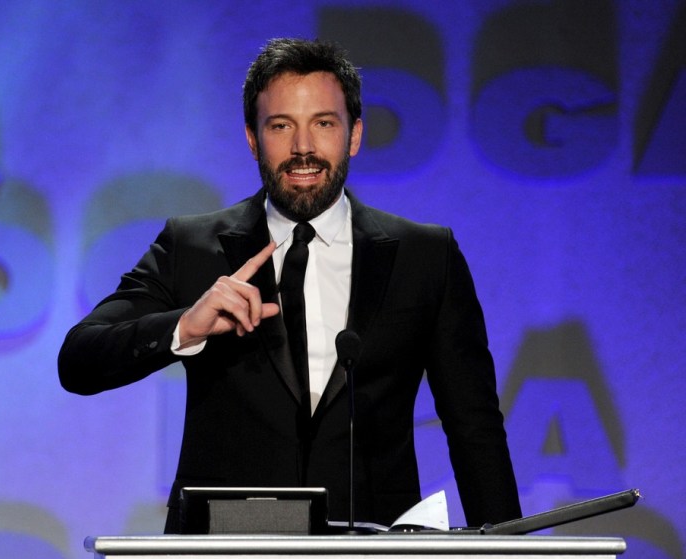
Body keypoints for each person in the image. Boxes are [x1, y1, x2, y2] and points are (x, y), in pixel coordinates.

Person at [58, 37, 521, 531]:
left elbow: (474, 427)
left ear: (355, 135)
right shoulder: (193, 247)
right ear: (253, 138)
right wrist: (184, 328)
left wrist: (510, 545)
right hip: (227, 544)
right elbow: (79, 359)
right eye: (281, 126)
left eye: (324, 123)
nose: (304, 148)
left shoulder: (425, 256)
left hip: (370, 544)